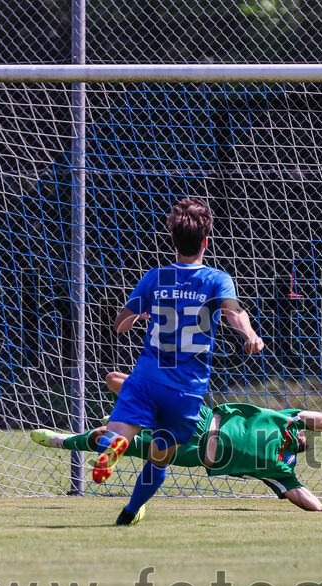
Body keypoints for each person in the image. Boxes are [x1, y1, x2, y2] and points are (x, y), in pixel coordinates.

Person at [99, 197, 264, 526]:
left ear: (172, 239)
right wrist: (249, 335)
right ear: (206, 241)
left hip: (147, 378)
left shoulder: (154, 278)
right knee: (160, 456)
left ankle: (114, 444)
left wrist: (138, 316)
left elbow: (119, 324)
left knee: (118, 432)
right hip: (186, 391)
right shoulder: (217, 280)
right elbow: (234, 312)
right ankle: (130, 512)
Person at [32, 372, 322, 516]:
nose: (306, 437)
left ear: (296, 449)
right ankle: (88, 434)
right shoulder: (288, 419)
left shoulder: (280, 472)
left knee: (107, 436)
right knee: (116, 381)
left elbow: (315, 507)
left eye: (304, 441)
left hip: (192, 453)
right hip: (202, 419)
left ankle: (62, 441)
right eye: (306, 436)